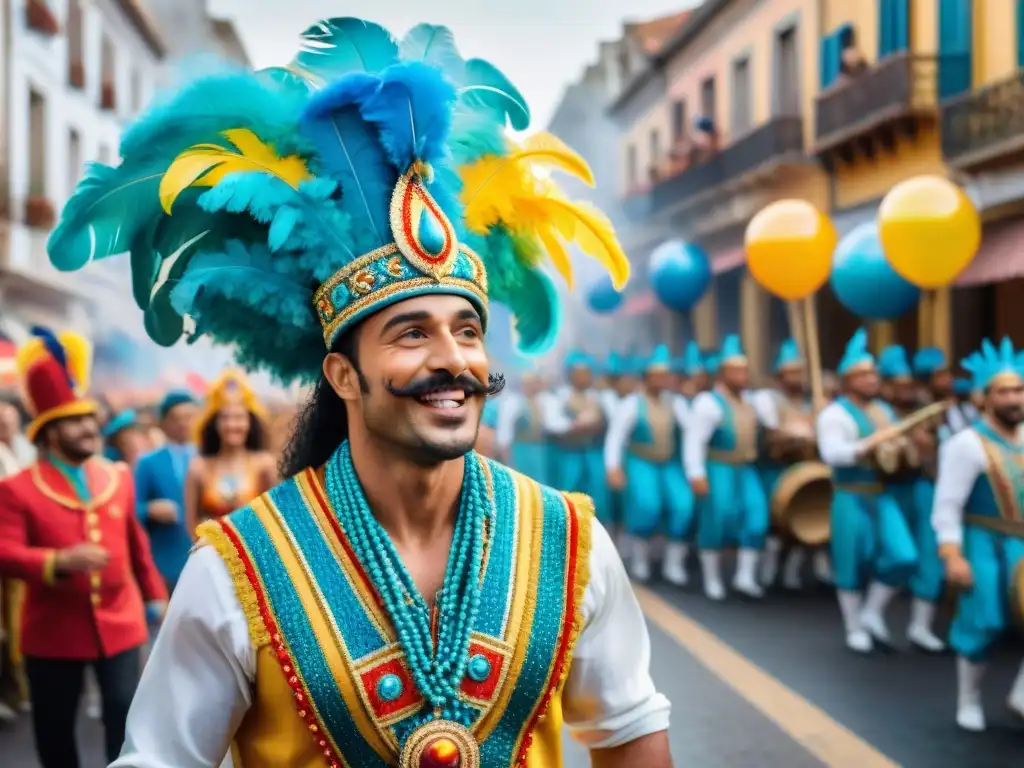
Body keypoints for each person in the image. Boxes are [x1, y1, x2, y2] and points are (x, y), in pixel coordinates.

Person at [50, 16, 670, 767]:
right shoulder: (238, 569)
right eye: (413, 334)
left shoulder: (570, 543)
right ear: (343, 375)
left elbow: (630, 728)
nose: (455, 359)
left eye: (467, 331)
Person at [0, 328, 167, 767]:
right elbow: (5, 553)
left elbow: (136, 546)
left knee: (126, 724)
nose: (90, 427)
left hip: (122, 626)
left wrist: (156, 598)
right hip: (53, 635)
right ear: (50, 433)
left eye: (90, 418)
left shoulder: (118, 477)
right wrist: (57, 561)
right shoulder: (17, 489)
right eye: (76, 421)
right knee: (55, 735)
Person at [932, 338, 1024, 732]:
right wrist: (952, 554)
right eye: (1004, 391)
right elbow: (947, 505)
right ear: (984, 398)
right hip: (983, 540)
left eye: (1019, 389)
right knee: (984, 622)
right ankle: (968, 698)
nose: (1014, 397)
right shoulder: (965, 445)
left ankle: (1021, 695)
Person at [816, 329, 918, 653]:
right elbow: (832, 454)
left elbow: (894, 451)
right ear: (848, 381)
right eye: (864, 375)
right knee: (849, 561)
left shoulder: (883, 412)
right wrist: (868, 445)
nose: (872, 380)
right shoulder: (834, 414)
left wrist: (904, 447)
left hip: (881, 492)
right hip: (849, 492)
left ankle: (872, 612)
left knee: (904, 555)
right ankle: (853, 626)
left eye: (873, 374)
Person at [685, 334, 771, 600]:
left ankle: (745, 575)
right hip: (718, 467)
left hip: (745, 468)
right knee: (717, 518)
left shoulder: (753, 402)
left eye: (745, 370)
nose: (743, 376)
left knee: (757, 515)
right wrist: (696, 473)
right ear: (722, 374)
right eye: (736, 370)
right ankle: (712, 578)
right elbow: (694, 441)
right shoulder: (708, 403)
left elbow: (771, 428)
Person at [877, 345, 945, 652]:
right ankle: (870, 612)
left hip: (921, 488)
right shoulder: (878, 414)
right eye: (898, 385)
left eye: (909, 385)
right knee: (896, 553)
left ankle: (921, 626)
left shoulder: (928, 413)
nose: (905, 391)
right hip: (887, 491)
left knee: (930, 555)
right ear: (886, 386)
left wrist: (925, 447)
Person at [605, 345, 692, 584]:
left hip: (669, 463)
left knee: (683, 505)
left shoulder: (677, 403)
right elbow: (616, 437)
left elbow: (693, 432)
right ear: (647, 378)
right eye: (657, 376)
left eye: (665, 376)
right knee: (646, 504)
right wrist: (614, 467)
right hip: (641, 461)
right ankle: (641, 560)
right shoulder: (632, 404)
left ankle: (673, 564)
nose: (662, 380)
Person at [754, 338, 831, 590]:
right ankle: (767, 570)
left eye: (799, 373)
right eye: (791, 373)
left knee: (802, 522)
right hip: (777, 470)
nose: (796, 378)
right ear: (780, 375)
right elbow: (773, 435)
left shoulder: (813, 402)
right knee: (775, 525)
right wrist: (799, 433)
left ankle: (790, 572)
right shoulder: (768, 400)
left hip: (805, 469)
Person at [183, 371, 277, 538]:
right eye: (225, 418)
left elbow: (275, 518)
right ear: (215, 423)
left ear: (250, 422)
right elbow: (192, 523)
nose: (232, 425)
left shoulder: (265, 465)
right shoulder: (198, 467)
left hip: (254, 556)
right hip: (211, 555)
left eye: (239, 417)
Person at [134, 390, 199, 591]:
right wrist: (149, 510)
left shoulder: (211, 459)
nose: (183, 424)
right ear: (162, 424)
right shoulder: (148, 463)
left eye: (189, 417)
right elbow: (130, 509)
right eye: (175, 419)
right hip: (167, 564)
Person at [494, 369, 551, 483]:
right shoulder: (513, 403)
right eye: (530, 384)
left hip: (539, 451)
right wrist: (507, 459)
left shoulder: (542, 402)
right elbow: (504, 433)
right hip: (520, 450)